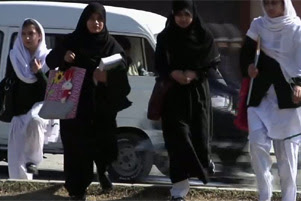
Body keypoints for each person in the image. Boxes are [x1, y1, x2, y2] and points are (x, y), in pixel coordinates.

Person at [46, 3, 130, 200]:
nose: (96, 23)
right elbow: (51, 61)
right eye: (92, 19)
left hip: (101, 107)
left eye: (100, 19)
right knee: (76, 148)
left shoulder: (110, 45)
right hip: (74, 105)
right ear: (85, 20)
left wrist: (107, 78)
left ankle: (102, 172)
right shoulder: (72, 41)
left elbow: (123, 65)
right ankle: (77, 190)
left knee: (104, 145)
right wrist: (63, 57)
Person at [155, 0, 220, 200]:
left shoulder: (204, 36)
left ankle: (204, 161)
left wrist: (194, 74)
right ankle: (178, 191)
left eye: (187, 15)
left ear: (193, 14)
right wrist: (173, 73)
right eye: (179, 15)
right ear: (173, 15)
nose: (183, 19)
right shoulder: (166, 37)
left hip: (198, 95)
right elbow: (158, 63)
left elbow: (212, 64)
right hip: (173, 95)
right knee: (177, 141)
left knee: (199, 139)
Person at [240, 0, 301, 200]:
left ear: (284, 4)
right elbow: (246, 53)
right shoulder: (259, 25)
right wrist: (249, 67)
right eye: (267, 3)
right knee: (257, 145)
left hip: (288, 99)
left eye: (275, 3)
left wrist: (300, 84)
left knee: (287, 158)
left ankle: (288, 198)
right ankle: (264, 195)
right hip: (261, 97)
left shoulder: (296, 28)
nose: (270, 8)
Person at [6, 18, 59, 180]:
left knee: (35, 120)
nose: (27, 38)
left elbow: (51, 90)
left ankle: (33, 160)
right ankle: (19, 187)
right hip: (19, 111)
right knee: (16, 159)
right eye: (23, 34)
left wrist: (38, 72)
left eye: (31, 33)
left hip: (41, 108)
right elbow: (11, 84)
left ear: (40, 36)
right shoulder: (15, 57)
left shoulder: (48, 58)